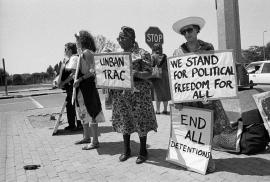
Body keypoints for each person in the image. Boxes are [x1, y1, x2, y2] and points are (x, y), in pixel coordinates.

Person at [172, 16, 230, 173]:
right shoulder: (178, 52)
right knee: (193, 130)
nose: (187, 34)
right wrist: (177, 98)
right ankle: (196, 160)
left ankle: (207, 160)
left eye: (190, 30)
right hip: (188, 99)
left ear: (197, 30)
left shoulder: (208, 47)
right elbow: (176, 78)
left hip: (206, 96)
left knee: (207, 128)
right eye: (184, 32)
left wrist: (211, 92)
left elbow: (214, 71)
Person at [111, 26, 158, 164]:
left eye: (122, 37)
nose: (119, 40)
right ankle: (126, 150)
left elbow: (150, 73)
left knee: (141, 121)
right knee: (125, 120)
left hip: (139, 95)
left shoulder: (142, 53)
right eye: (118, 37)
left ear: (131, 39)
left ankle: (143, 151)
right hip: (121, 95)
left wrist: (135, 73)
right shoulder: (116, 55)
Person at [73, 30, 105, 149]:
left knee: (91, 111)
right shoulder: (82, 53)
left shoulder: (87, 53)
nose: (76, 43)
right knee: (83, 112)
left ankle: (95, 141)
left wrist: (80, 79)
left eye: (77, 40)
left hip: (88, 87)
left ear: (82, 41)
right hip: (82, 87)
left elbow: (93, 70)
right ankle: (86, 137)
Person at [58, 42, 82, 131]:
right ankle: (72, 124)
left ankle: (78, 124)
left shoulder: (74, 58)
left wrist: (63, 82)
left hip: (74, 86)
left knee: (75, 106)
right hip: (70, 87)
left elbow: (73, 74)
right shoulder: (70, 59)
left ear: (70, 50)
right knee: (71, 106)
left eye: (65, 49)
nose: (64, 51)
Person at [150, 43, 171, 115]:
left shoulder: (153, 56)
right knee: (165, 93)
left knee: (157, 93)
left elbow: (151, 66)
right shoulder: (165, 56)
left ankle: (158, 110)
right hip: (165, 76)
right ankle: (165, 109)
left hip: (157, 76)